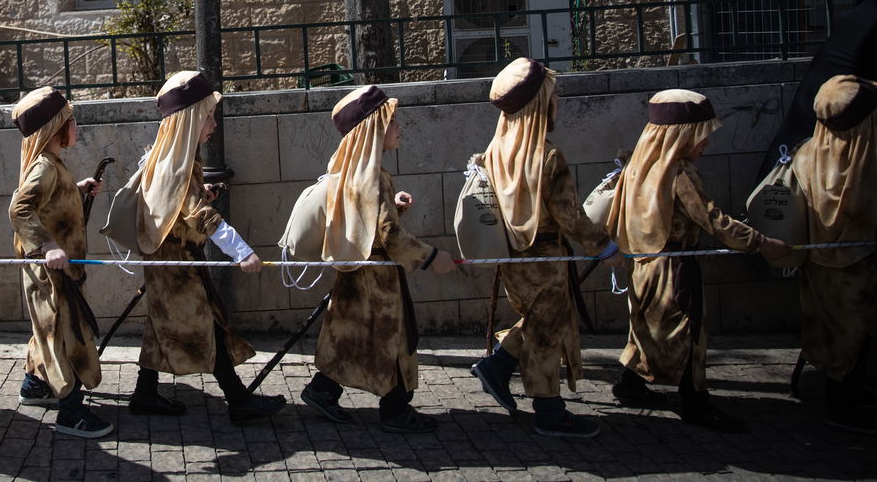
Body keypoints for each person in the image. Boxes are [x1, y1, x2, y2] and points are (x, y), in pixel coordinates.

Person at [607, 88, 789, 431]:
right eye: (700, 136)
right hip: (676, 268)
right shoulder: (679, 174)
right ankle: (696, 402)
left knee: (645, 328)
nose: (705, 144)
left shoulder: (638, 165)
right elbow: (713, 220)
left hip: (644, 265)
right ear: (680, 136)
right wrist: (761, 243)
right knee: (688, 334)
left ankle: (630, 385)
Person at [468, 58, 622, 438]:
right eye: (553, 97)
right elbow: (571, 217)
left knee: (538, 325)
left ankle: (499, 366)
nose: (558, 104)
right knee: (547, 335)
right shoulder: (547, 156)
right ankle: (549, 412)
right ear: (539, 104)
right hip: (547, 258)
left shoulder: (495, 150)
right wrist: (604, 248)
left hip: (515, 261)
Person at [298, 85, 459, 432]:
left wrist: (393, 205)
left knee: (354, 334)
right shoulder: (372, 177)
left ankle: (323, 390)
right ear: (373, 129)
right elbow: (390, 236)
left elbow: (370, 220)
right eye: (392, 121)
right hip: (379, 280)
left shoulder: (356, 171)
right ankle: (396, 411)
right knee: (394, 337)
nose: (400, 127)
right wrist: (431, 258)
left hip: (358, 272)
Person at [126, 70, 284, 423]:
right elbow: (200, 216)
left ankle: (145, 394)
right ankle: (239, 401)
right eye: (207, 116)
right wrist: (243, 252)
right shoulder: (176, 168)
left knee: (160, 326)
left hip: (168, 265)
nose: (213, 124)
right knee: (207, 325)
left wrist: (200, 195)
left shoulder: (167, 159)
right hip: (177, 268)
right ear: (190, 119)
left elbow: (178, 208)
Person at [8, 87, 110, 438]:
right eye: (71, 121)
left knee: (48, 329)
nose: (76, 126)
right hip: (53, 272)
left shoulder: (53, 164)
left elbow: (50, 203)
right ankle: (70, 411)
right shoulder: (43, 168)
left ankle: (34, 387)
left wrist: (77, 189)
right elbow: (19, 209)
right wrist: (49, 245)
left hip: (60, 269)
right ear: (55, 129)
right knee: (66, 335)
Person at [788, 74, 877, 434]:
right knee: (853, 337)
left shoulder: (807, 154)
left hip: (818, 265)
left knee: (832, 332)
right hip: (857, 269)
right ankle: (841, 408)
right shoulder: (866, 160)